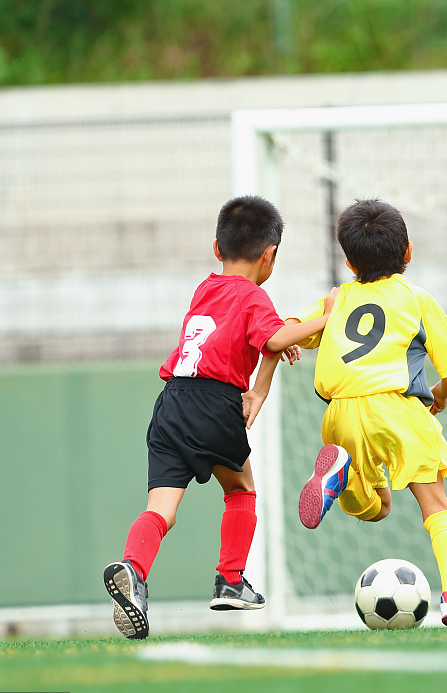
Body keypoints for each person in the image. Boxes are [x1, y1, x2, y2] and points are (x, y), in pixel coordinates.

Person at [103, 195, 335, 639]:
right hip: (214, 402)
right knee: (241, 489)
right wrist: (324, 317)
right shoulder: (254, 296)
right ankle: (230, 579)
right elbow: (271, 339)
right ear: (269, 256)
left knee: (162, 511)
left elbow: (251, 338)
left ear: (216, 249)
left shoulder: (205, 288)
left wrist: (276, 339)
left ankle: (133, 568)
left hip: (171, 401)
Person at [286, 198, 447, 628]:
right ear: (408, 251)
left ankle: (338, 477)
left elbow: (283, 334)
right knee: (436, 506)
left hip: (340, 412)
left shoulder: (337, 299)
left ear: (347, 260)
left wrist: (320, 319)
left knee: (377, 507)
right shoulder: (417, 299)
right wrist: (439, 397)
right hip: (399, 407)